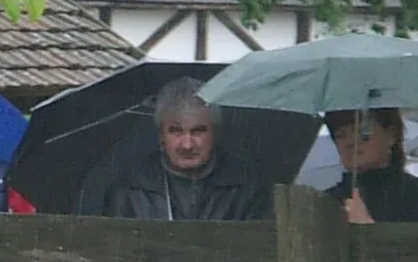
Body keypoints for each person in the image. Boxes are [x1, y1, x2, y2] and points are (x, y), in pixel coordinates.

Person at [75, 78, 273, 221]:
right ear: (161, 135)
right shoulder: (128, 192)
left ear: (214, 132)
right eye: (176, 131)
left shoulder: (248, 189)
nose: (187, 144)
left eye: (198, 131)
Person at [323, 108, 418, 224]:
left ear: (391, 135)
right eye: (341, 135)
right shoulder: (325, 201)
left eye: (362, 131)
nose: (350, 142)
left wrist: (368, 230)